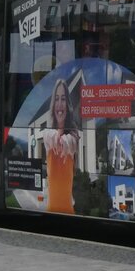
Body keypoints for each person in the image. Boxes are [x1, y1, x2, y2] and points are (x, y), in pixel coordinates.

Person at [42, 78, 79, 213]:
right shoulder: (48, 134)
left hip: (68, 212)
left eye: (63, 99)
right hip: (50, 210)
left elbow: (69, 143)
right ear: (53, 104)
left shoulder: (73, 137)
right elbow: (51, 138)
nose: (59, 104)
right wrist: (57, 134)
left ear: (67, 104)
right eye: (56, 99)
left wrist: (63, 140)